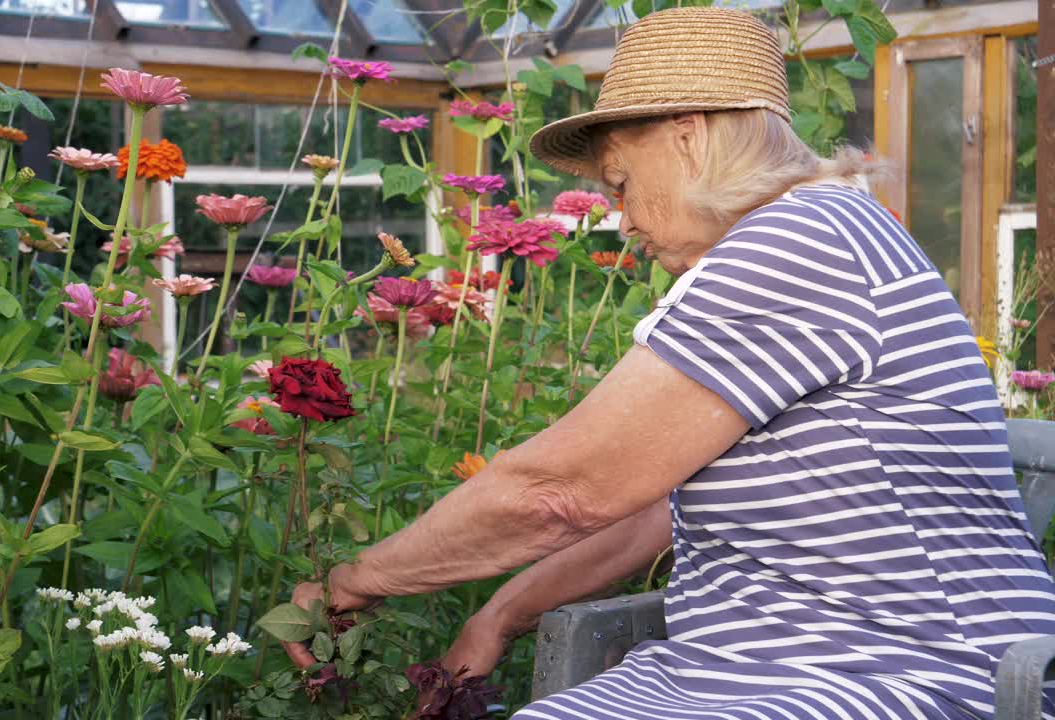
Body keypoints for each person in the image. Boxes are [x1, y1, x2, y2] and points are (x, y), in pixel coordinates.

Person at [285, 7, 1055, 719]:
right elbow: (651, 507)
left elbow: (559, 491)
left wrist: (353, 581)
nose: (619, 220)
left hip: (908, 674)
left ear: (689, 135)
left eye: (620, 182)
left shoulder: (799, 245)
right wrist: (500, 616)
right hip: (755, 669)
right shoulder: (819, 231)